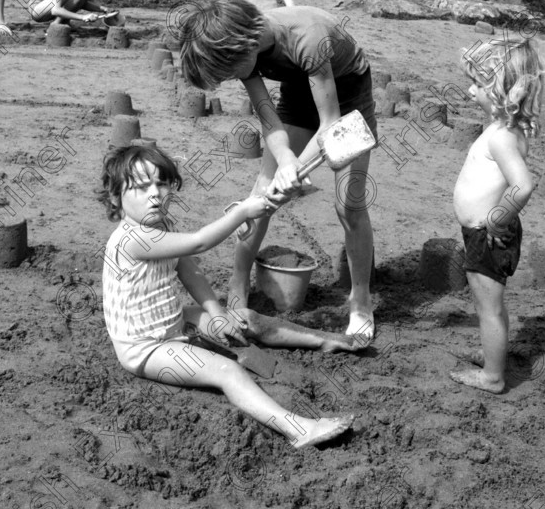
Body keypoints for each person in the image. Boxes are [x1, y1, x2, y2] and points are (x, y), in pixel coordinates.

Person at [99, 144, 356, 448]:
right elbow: (198, 243)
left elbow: (189, 272)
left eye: (161, 183)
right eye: (141, 187)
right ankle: (299, 429)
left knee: (242, 318)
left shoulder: (160, 225)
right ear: (116, 196)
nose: (154, 194)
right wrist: (243, 211)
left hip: (172, 319)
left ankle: (323, 339)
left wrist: (218, 315)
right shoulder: (132, 239)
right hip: (146, 346)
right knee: (228, 371)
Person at [180, 0, 376, 344]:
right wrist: (287, 161)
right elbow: (269, 118)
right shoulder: (244, 50)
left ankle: (361, 302)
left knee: (350, 205)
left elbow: (330, 124)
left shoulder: (308, 38)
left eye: (227, 71)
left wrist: (298, 169)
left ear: (246, 44)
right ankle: (238, 281)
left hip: (346, 96)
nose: (228, 78)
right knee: (263, 188)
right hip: (299, 92)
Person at [450, 38, 545, 394]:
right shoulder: (503, 129)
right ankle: (494, 355)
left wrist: (496, 220)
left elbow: (523, 185)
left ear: (501, 91)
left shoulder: (502, 138)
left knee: (488, 308)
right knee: (488, 305)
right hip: (481, 231)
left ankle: (493, 377)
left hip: (486, 234)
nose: (469, 89)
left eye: (477, 84)